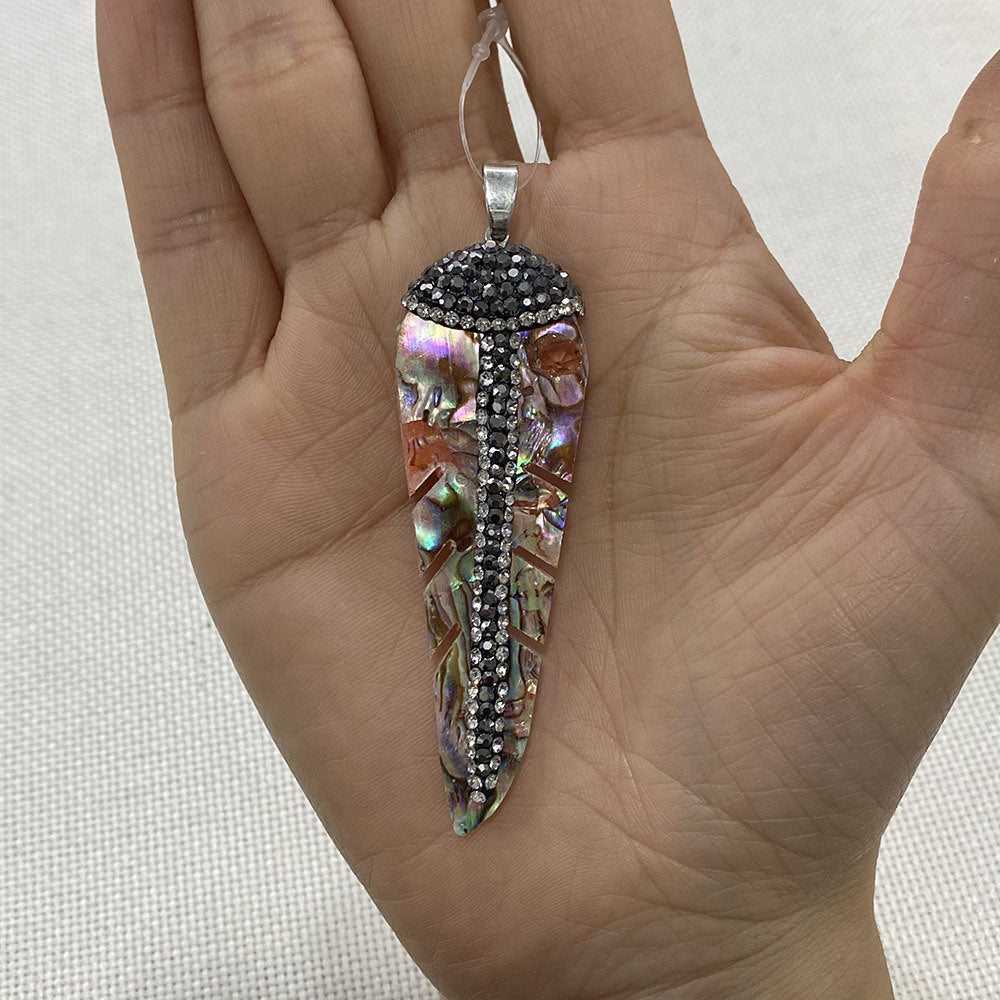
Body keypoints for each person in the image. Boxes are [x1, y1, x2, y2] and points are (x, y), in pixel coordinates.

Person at [96, 1, 1000, 997]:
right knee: (477, 619)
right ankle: (479, 763)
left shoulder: (525, 323)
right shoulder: (460, 322)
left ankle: (482, 762)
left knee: (491, 617)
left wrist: (729, 956)